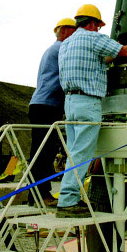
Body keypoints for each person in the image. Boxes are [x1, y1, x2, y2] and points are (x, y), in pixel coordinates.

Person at [56, 3, 127, 218]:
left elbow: (98, 60)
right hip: (88, 102)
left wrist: (112, 52)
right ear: (93, 24)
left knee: (74, 152)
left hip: (70, 103)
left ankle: (69, 196)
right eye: (98, 26)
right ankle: (67, 202)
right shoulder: (93, 38)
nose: (99, 29)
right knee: (82, 153)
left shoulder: (67, 43)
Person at [28, 18, 76, 206]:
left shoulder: (52, 50)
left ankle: (35, 196)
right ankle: (42, 195)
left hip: (43, 105)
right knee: (44, 152)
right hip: (46, 106)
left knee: (41, 151)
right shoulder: (60, 49)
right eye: (74, 32)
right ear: (64, 31)